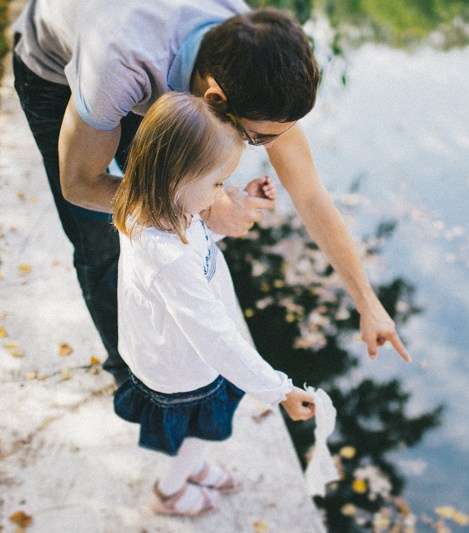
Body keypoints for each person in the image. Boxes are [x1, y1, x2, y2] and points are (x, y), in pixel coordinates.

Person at [12, 0, 410, 385]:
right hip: (53, 69)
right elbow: (79, 185)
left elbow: (308, 193)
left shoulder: (254, 53)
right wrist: (205, 208)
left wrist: (367, 301)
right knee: (102, 237)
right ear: (215, 99)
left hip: (155, 71)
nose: (272, 147)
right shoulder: (117, 68)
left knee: (165, 214)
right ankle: (133, 379)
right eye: (259, 138)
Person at [111, 92, 315, 516]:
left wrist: (246, 202)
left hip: (173, 354)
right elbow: (216, 340)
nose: (222, 194)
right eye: (217, 183)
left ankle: (192, 466)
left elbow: (197, 248)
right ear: (177, 178)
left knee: (197, 431)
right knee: (202, 429)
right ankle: (168, 492)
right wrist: (281, 391)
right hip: (185, 368)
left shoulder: (158, 211)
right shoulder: (166, 255)